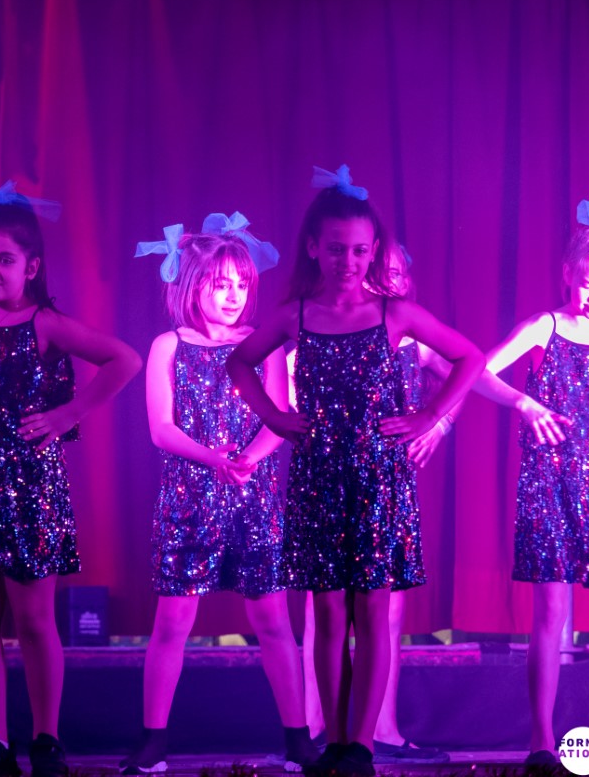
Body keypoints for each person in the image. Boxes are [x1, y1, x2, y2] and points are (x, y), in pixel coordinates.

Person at [225, 166, 483, 777]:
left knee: (371, 612)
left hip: (378, 481)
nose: (349, 260)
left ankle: (361, 746)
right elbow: (239, 363)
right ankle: (335, 742)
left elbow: (469, 357)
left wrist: (429, 416)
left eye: (361, 250)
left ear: (374, 251)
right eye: (337, 248)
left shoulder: (395, 313)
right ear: (314, 247)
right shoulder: (295, 316)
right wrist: (274, 415)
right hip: (319, 477)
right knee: (328, 612)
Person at [0, 182, 141, 777]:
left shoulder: (44, 323)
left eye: (5, 260)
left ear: (32, 267)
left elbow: (124, 359)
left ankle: (46, 740)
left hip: (29, 488)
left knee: (33, 619)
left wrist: (69, 414)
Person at [121, 216, 316, 774]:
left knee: (274, 622)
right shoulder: (168, 346)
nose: (233, 295)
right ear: (193, 285)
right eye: (220, 284)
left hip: (253, 501)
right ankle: (153, 743)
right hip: (188, 502)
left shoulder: (263, 346)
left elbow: (279, 416)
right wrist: (215, 460)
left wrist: (247, 460)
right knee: (172, 624)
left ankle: (298, 740)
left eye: (242, 285)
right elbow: (161, 428)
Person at [469, 198, 589, 767]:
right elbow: (477, 372)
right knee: (550, 612)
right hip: (550, 486)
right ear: (567, 274)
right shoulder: (544, 327)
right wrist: (523, 404)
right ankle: (542, 740)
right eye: (588, 284)